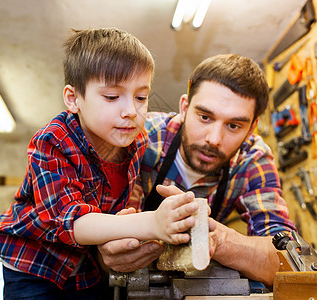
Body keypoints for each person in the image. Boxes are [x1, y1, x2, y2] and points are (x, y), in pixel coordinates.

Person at [0, 27, 205, 300]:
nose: (131, 111)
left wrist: (131, 223)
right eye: (112, 97)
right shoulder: (53, 142)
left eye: (141, 97)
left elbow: (118, 205)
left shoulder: (136, 142)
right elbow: (74, 223)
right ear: (73, 99)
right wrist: (152, 222)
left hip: (83, 266)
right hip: (33, 263)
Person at [98, 54, 296, 289]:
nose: (214, 139)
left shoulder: (253, 159)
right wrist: (109, 249)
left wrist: (218, 240)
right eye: (204, 117)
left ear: (252, 128)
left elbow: (287, 260)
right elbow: (105, 232)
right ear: (184, 107)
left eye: (233, 126)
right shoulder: (141, 138)